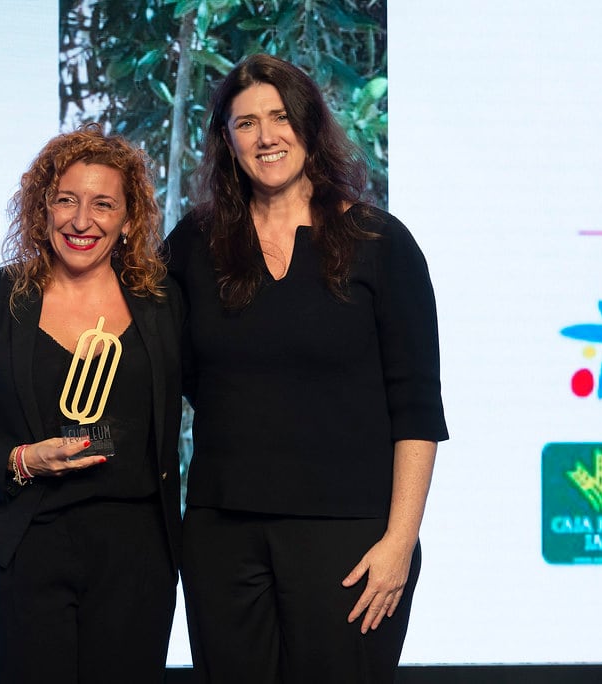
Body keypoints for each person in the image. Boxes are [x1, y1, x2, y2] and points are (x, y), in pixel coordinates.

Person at [164, 54, 448, 683]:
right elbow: (133, 327)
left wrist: (400, 542)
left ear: (310, 125)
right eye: (245, 124)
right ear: (226, 141)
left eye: (280, 116)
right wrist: (1, 300)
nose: (266, 136)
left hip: (350, 540)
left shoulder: (382, 244)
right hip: (222, 535)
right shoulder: (193, 243)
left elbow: (418, 411)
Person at [0, 124, 185, 684]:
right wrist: (22, 459)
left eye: (102, 204)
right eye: (65, 200)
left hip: (135, 549)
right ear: (41, 208)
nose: (81, 220)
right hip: (24, 545)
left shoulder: (166, 302)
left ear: (128, 218)